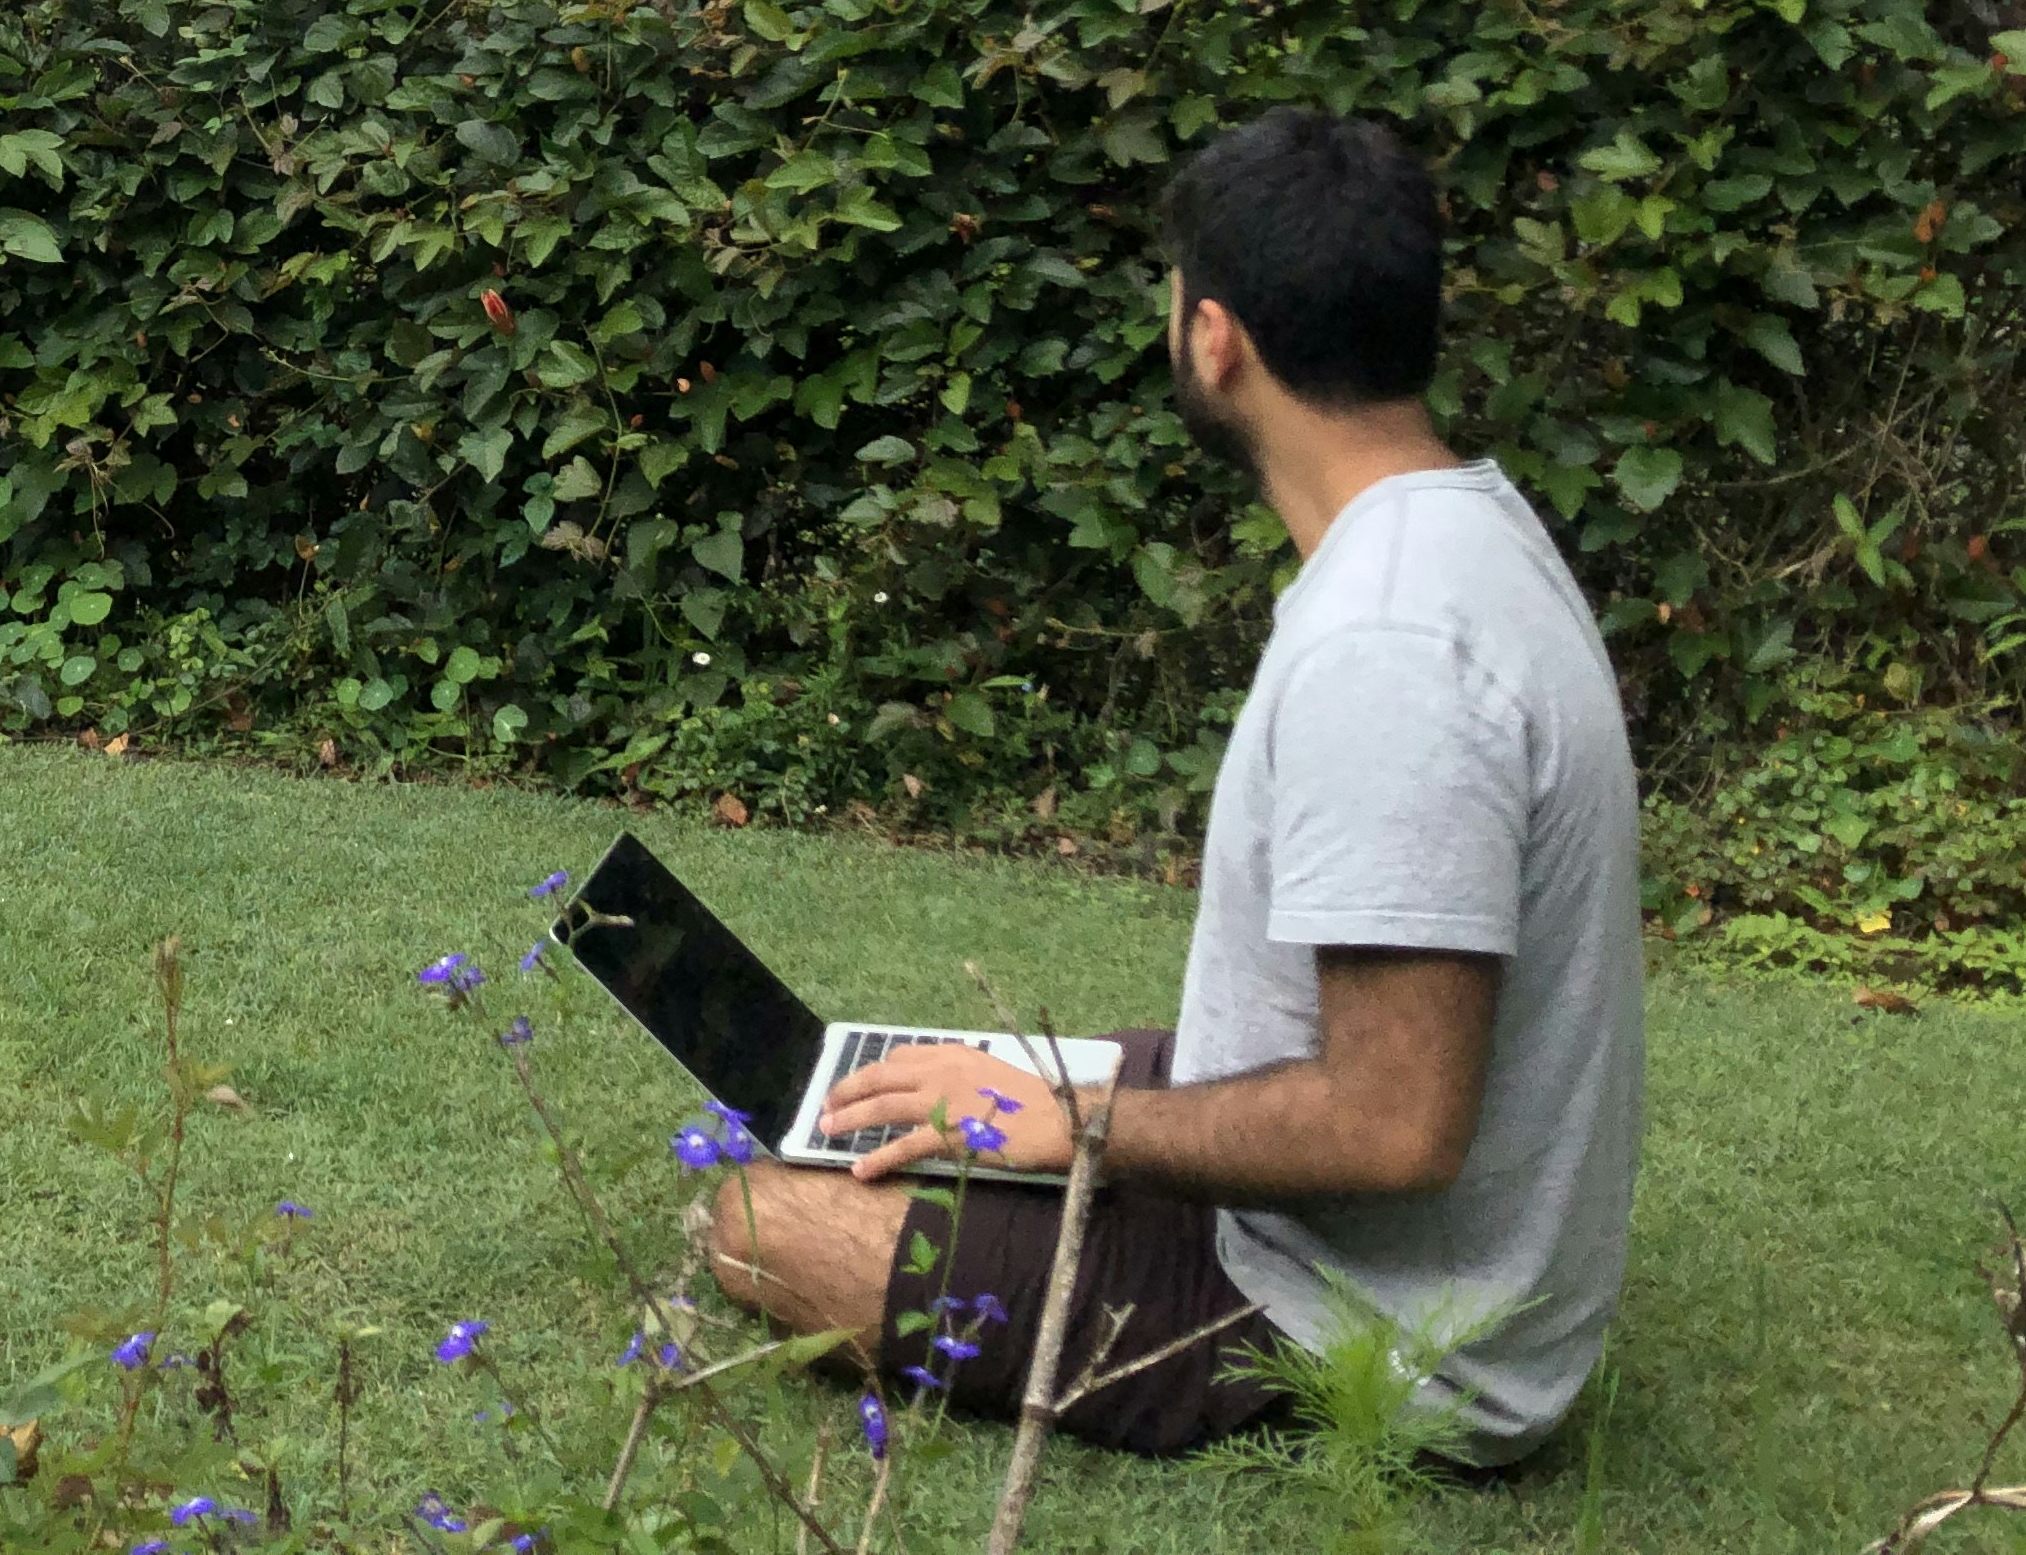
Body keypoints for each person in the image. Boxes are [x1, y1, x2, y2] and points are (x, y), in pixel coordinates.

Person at [700, 107, 1642, 1464]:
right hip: (1368, 1241)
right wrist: (1051, 1112)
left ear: (1215, 338)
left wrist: (1080, 1124)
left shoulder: (1391, 647)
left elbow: (1394, 1125)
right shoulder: (1463, 530)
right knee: (903, 1098)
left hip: (1370, 1331)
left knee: (755, 1220)